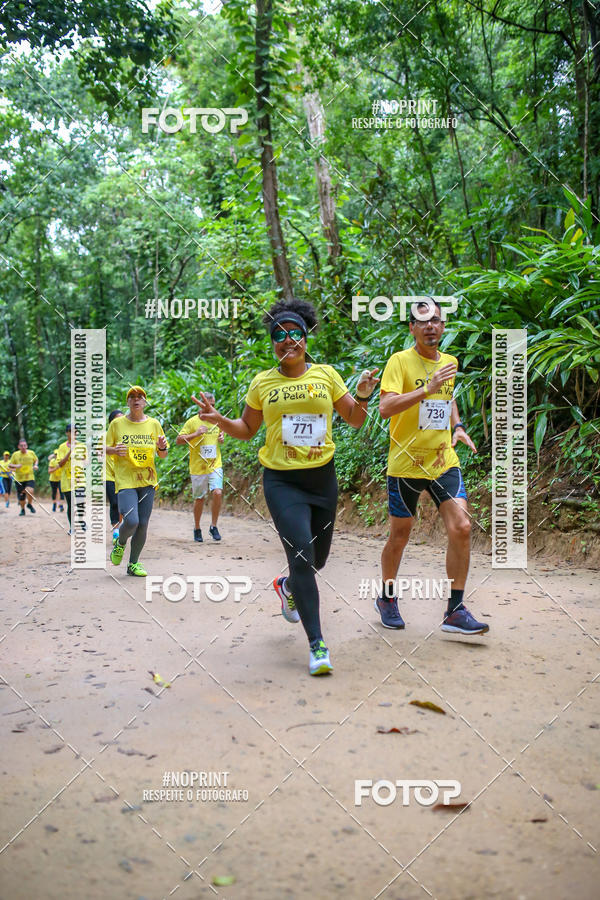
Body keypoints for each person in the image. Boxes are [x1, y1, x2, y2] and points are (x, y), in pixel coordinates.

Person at [192, 299, 379, 676]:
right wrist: (218, 419)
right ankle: (317, 645)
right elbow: (246, 430)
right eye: (280, 334)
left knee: (318, 560)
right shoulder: (263, 382)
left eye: (295, 333)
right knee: (302, 558)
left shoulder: (326, 375)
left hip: (322, 479)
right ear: (272, 341)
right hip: (282, 481)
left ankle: (287, 586)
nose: (288, 340)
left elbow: (355, 420)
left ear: (306, 338)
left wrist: (362, 394)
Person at [376, 298, 488, 636]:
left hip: (442, 462)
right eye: (423, 321)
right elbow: (385, 407)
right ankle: (387, 597)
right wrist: (427, 388)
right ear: (412, 328)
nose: (430, 326)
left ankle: (455, 610)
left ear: (443, 326)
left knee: (463, 526)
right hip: (405, 466)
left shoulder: (450, 362)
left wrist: (458, 426)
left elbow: (448, 398)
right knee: (400, 535)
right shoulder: (400, 362)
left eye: (437, 320)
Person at [105, 386, 168, 577]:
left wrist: (162, 447)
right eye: (132, 397)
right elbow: (103, 448)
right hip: (125, 480)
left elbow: (163, 455)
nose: (136, 399)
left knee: (143, 524)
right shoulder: (117, 424)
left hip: (148, 480)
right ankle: (120, 543)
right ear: (127, 402)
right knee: (131, 520)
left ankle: (133, 564)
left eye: (140, 396)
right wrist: (115, 450)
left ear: (145, 401)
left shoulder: (154, 424)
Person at [177, 392, 225, 542]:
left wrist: (222, 438)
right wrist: (196, 434)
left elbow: (222, 435)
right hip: (198, 467)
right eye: (209, 405)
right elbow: (179, 440)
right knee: (199, 498)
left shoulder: (218, 421)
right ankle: (197, 528)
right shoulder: (192, 422)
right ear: (201, 405)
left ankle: (213, 526)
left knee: (217, 492)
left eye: (213, 405)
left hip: (215, 464)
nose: (212, 408)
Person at [54, 424, 87, 533]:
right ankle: (72, 527)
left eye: (76, 432)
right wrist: (70, 451)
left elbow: (86, 463)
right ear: (67, 433)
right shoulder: (62, 447)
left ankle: (81, 521)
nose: (74, 434)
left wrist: (84, 461)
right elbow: (60, 463)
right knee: (71, 504)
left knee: (80, 502)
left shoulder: (82, 446)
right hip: (67, 480)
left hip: (79, 479)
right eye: (71, 432)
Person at [105, 409, 124, 540]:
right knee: (115, 503)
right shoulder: (105, 436)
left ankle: (123, 527)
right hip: (108, 476)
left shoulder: (128, 436)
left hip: (124, 476)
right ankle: (116, 530)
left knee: (125, 504)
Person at [9, 439, 38, 515]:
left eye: (24, 445)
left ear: (27, 446)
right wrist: (16, 465)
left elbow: (36, 460)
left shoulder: (31, 453)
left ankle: (29, 504)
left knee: (30, 490)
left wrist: (35, 465)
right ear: (18, 446)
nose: (23, 447)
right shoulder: (15, 454)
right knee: (22, 497)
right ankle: (22, 509)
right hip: (19, 478)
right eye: (21, 446)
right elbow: (10, 465)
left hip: (29, 477)